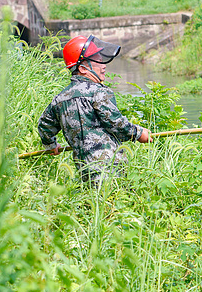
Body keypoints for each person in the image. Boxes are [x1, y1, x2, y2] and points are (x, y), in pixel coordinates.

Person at [37, 34, 152, 185]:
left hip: (85, 173)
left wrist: (51, 145)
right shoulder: (99, 92)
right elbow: (117, 124)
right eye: (97, 61)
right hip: (111, 171)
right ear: (83, 68)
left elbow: (44, 126)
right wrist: (138, 133)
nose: (103, 65)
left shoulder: (60, 99)